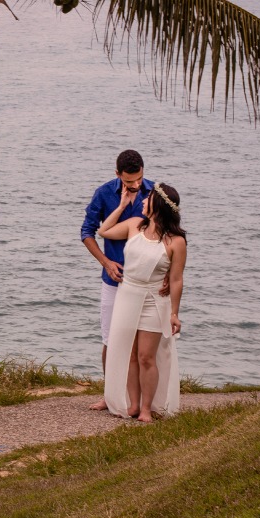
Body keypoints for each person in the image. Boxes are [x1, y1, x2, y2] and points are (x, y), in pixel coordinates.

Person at [96, 182, 187, 421]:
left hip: (154, 300)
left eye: (148, 198)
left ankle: (147, 408)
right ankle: (133, 405)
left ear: (158, 205)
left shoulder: (176, 241)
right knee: (130, 353)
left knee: (147, 356)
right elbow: (103, 231)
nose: (144, 201)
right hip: (127, 295)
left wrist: (174, 313)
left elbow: (176, 280)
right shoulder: (135, 225)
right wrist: (123, 205)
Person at [80, 150, 155, 411]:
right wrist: (106, 262)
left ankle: (142, 401)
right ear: (117, 175)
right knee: (111, 339)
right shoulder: (104, 193)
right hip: (113, 280)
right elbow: (87, 232)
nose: (135, 186)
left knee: (143, 343)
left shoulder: (155, 193)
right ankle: (110, 394)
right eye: (128, 181)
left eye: (138, 180)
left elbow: (170, 234)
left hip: (145, 281)